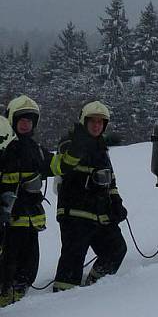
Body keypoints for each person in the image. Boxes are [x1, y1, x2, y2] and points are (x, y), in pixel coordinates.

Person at [52, 101, 128, 291]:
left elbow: (110, 180)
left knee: (116, 249)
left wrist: (116, 202)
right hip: (75, 213)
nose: (96, 125)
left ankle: (95, 288)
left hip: (98, 212)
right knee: (73, 259)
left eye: (100, 122)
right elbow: (66, 166)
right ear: (83, 122)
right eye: (93, 121)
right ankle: (60, 300)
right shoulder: (69, 142)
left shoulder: (101, 148)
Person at [0, 96, 61, 306]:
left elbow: (56, 166)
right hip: (9, 222)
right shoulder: (4, 148)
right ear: (12, 121)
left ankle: (17, 300)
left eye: (29, 120)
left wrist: (72, 152)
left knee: (29, 267)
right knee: (6, 266)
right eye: (21, 120)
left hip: (31, 221)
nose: (25, 124)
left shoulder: (37, 149)